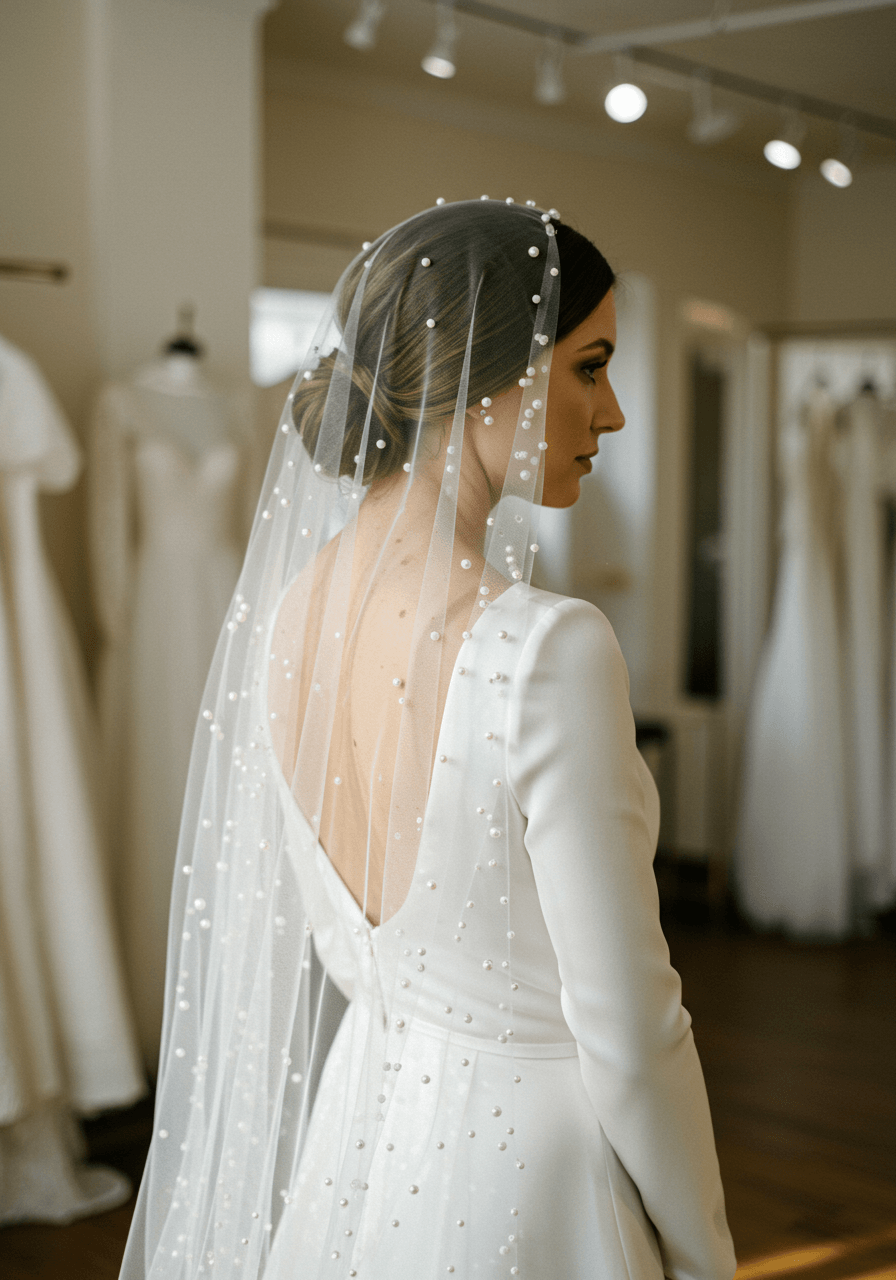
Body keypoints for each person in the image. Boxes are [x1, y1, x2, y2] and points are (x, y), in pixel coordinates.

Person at [120, 198, 736, 1280]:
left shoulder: (290, 611)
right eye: (591, 366)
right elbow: (631, 1026)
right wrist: (702, 1252)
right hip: (534, 1184)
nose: (616, 413)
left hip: (360, 1135)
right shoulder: (545, 647)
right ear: (487, 373)